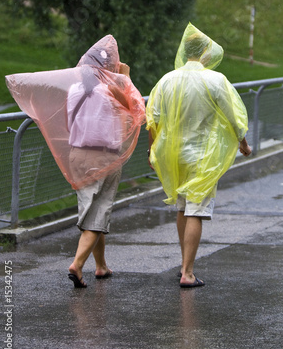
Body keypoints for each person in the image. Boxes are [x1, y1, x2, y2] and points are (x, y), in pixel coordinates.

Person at [146, 23, 251, 288]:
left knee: (182, 208)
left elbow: (152, 119)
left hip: (174, 154)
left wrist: (152, 149)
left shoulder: (167, 80)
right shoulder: (215, 80)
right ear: (205, 52)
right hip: (202, 156)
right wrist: (243, 143)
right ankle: (188, 272)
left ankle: (184, 264)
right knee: (196, 210)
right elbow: (233, 116)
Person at [67, 37, 145, 288]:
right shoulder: (111, 90)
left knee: (91, 210)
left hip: (77, 155)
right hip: (104, 157)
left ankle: (100, 266)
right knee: (99, 211)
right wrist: (125, 79)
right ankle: (77, 264)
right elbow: (137, 110)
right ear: (108, 68)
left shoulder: (74, 90)